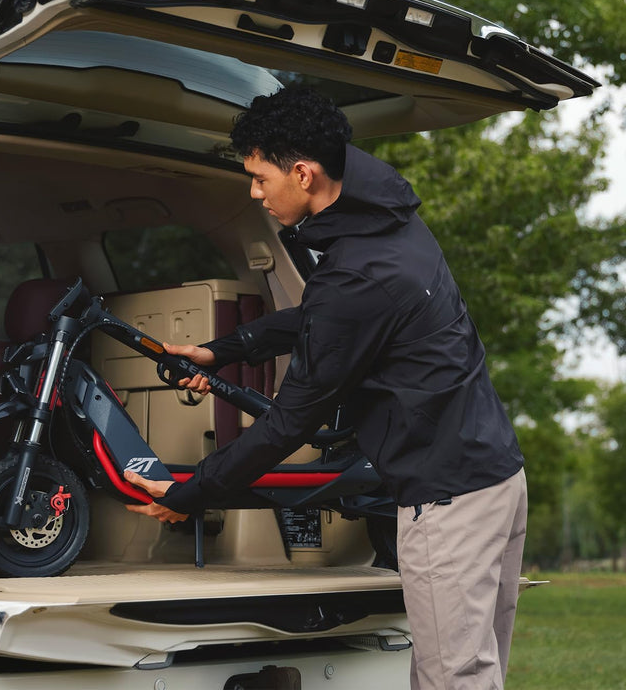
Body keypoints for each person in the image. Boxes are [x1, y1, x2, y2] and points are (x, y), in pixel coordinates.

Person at [124, 86, 528, 690]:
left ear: (304, 173)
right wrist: (222, 349)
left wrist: (188, 493)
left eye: (260, 178)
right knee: (471, 672)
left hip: (447, 504)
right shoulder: (385, 224)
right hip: (495, 479)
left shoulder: (359, 272)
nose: (254, 192)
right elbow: (324, 318)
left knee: (454, 680)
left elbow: (289, 423)